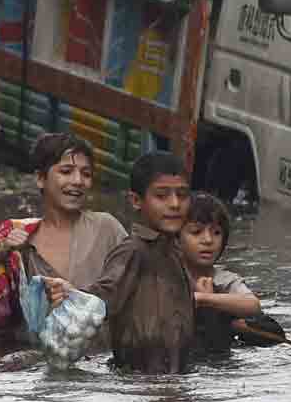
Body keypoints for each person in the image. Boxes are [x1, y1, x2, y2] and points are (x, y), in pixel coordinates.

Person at [0, 133, 126, 346]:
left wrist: (78, 296)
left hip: (99, 359)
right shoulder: (15, 237)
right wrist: (1, 252)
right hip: (37, 361)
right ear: (40, 179)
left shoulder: (106, 228)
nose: (78, 181)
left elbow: (134, 286)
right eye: (66, 171)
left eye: (86, 174)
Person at [44, 151, 195, 374]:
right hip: (138, 383)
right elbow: (101, 299)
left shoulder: (175, 252)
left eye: (182, 195)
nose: (175, 204)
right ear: (136, 201)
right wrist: (72, 294)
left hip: (172, 377)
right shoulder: (132, 251)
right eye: (162, 196)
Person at [179, 192, 261, 355]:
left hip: (218, 358)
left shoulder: (225, 280)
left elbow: (253, 305)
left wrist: (203, 298)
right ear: (176, 238)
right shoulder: (165, 275)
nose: (208, 240)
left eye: (216, 233)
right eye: (196, 232)